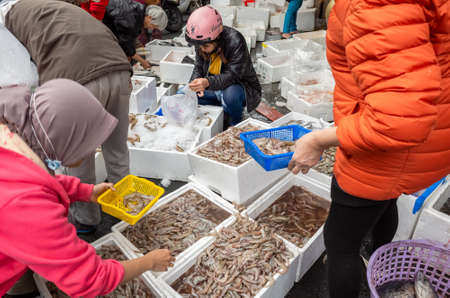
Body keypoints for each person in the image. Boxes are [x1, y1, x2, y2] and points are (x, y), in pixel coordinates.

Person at [287, 0, 450, 297]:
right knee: (386, 200)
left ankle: (370, 262)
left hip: (385, 154)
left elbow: (398, 121)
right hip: (425, 141)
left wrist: (317, 140)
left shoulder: (371, 5)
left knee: (339, 243)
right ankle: (380, 260)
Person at [0, 79, 175, 297]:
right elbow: (91, 280)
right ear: (61, 140)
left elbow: (36, 180)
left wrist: (86, 191)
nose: (91, 152)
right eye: (87, 145)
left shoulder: (13, 140)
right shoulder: (25, 205)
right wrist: (148, 262)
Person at [4, 0, 132, 233]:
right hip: (119, 67)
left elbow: (23, 75)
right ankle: (124, 208)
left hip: (78, 78)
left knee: (78, 155)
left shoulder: (7, 21)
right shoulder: (47, 6)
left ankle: (86, 219)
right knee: (117, 146)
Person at [186, 6, 261, 126]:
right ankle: (222, 108)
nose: (201, 49)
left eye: (205, 46)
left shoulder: (235, 40)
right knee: (184, 94)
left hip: (237, 87)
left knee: (230, 95)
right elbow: (198, 67)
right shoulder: (201, 41)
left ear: (217, 38)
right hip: (214, 86)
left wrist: (207, 82)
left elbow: (233, 75)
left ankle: (235, 120)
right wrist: (195, 83)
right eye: (199, 46)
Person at [103, 0, 165, 70]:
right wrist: (143, 62)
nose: (151, 28)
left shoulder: (138, 9)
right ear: (149, 18)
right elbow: (126, 46)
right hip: (99, 24)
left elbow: (130, 38)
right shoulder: (131, 20)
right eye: (153, 26)